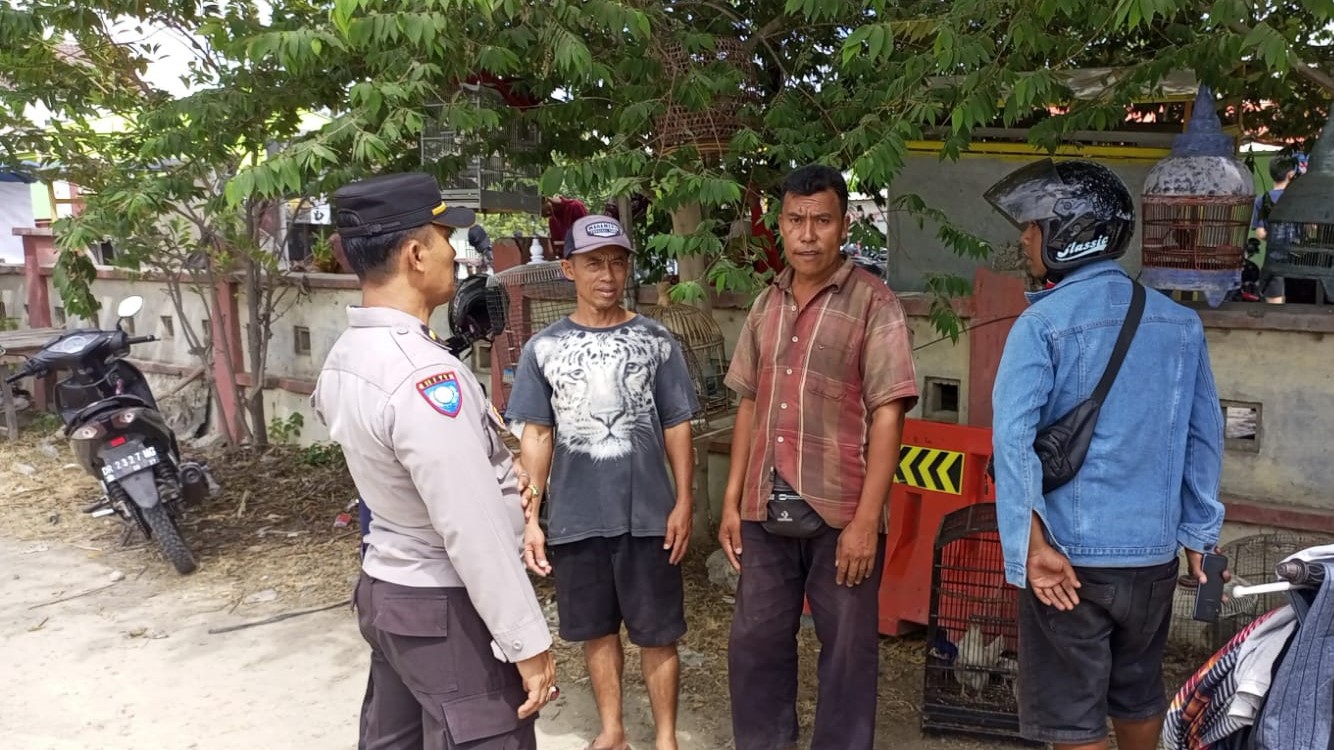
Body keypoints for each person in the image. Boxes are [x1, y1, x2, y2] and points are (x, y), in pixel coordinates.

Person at [985, 158, 1227, 750]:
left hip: (1070, 561)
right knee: (1138, 695)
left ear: (1069, 234)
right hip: (1151, 562)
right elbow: (1204, 434)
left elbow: (1013, 443)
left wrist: (1032, 548)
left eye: (1034, 226)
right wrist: (1199, 532)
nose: (1023, 237)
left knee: (1073, 720)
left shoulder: (1041, 325)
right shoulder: (1180, 324)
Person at [311, 171, 556, 750]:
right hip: (443, 603)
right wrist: (528, 642)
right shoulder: (424, 376)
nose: (454, 250)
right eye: (445, 237)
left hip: (390, 588)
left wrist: (496, 469)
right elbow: (469, 529)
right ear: (416, 254)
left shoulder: (348, 354)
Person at [719, 164, 919, 750]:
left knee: (848, 657)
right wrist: (732, 501)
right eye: (797, 220)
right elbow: (749, 405)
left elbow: (890, 414)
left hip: (841, 516)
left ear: (843, 224)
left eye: (822, 220)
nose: (808, 234)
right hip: (763, 508)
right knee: (754, 643)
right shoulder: (765, 305)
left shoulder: (875, 305)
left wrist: (865, 523)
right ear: (780, 224)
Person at [505, 214, 699, 750]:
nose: (607, 274)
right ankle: (612, 730)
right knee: (595, 630)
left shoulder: (657, 340)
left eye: (617, 261)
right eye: (594, 262)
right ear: (568, 268)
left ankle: (665, 739)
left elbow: (677, 423)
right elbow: (537, 434)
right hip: (574, 515)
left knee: (658, 634)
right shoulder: (542, 349)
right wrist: (531, 518)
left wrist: (684, 501)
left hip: (649, 515)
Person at [1251, 155, 1297, 304]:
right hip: (1297, 260)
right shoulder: (1297, 199)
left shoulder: (1263, 200)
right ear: (1290, 174)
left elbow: (1260, 233)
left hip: (1273, 259)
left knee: (1274, 306)